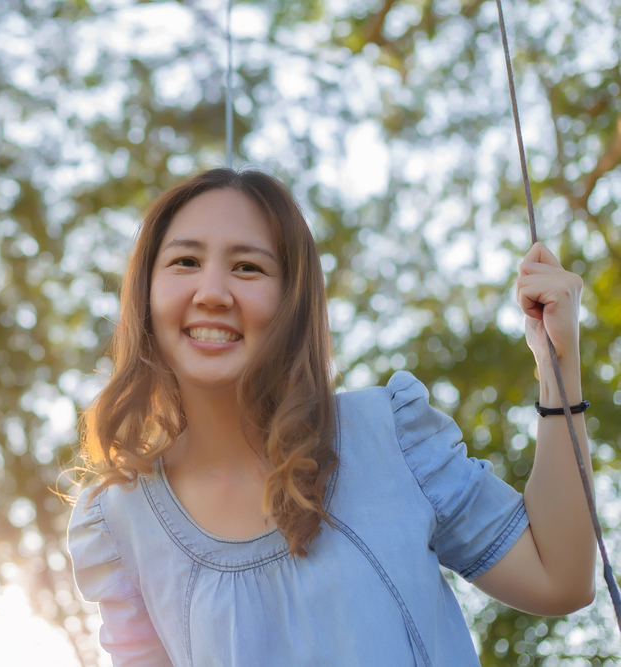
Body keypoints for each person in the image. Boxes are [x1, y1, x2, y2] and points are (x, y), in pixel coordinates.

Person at [66, 168, 595, 666]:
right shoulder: (117, 524)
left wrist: (558, 365)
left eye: (248, 267)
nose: (211, 293)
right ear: (145, 293)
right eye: (185, 262)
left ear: (291, 300)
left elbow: (560, 580)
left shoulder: (389, 435)